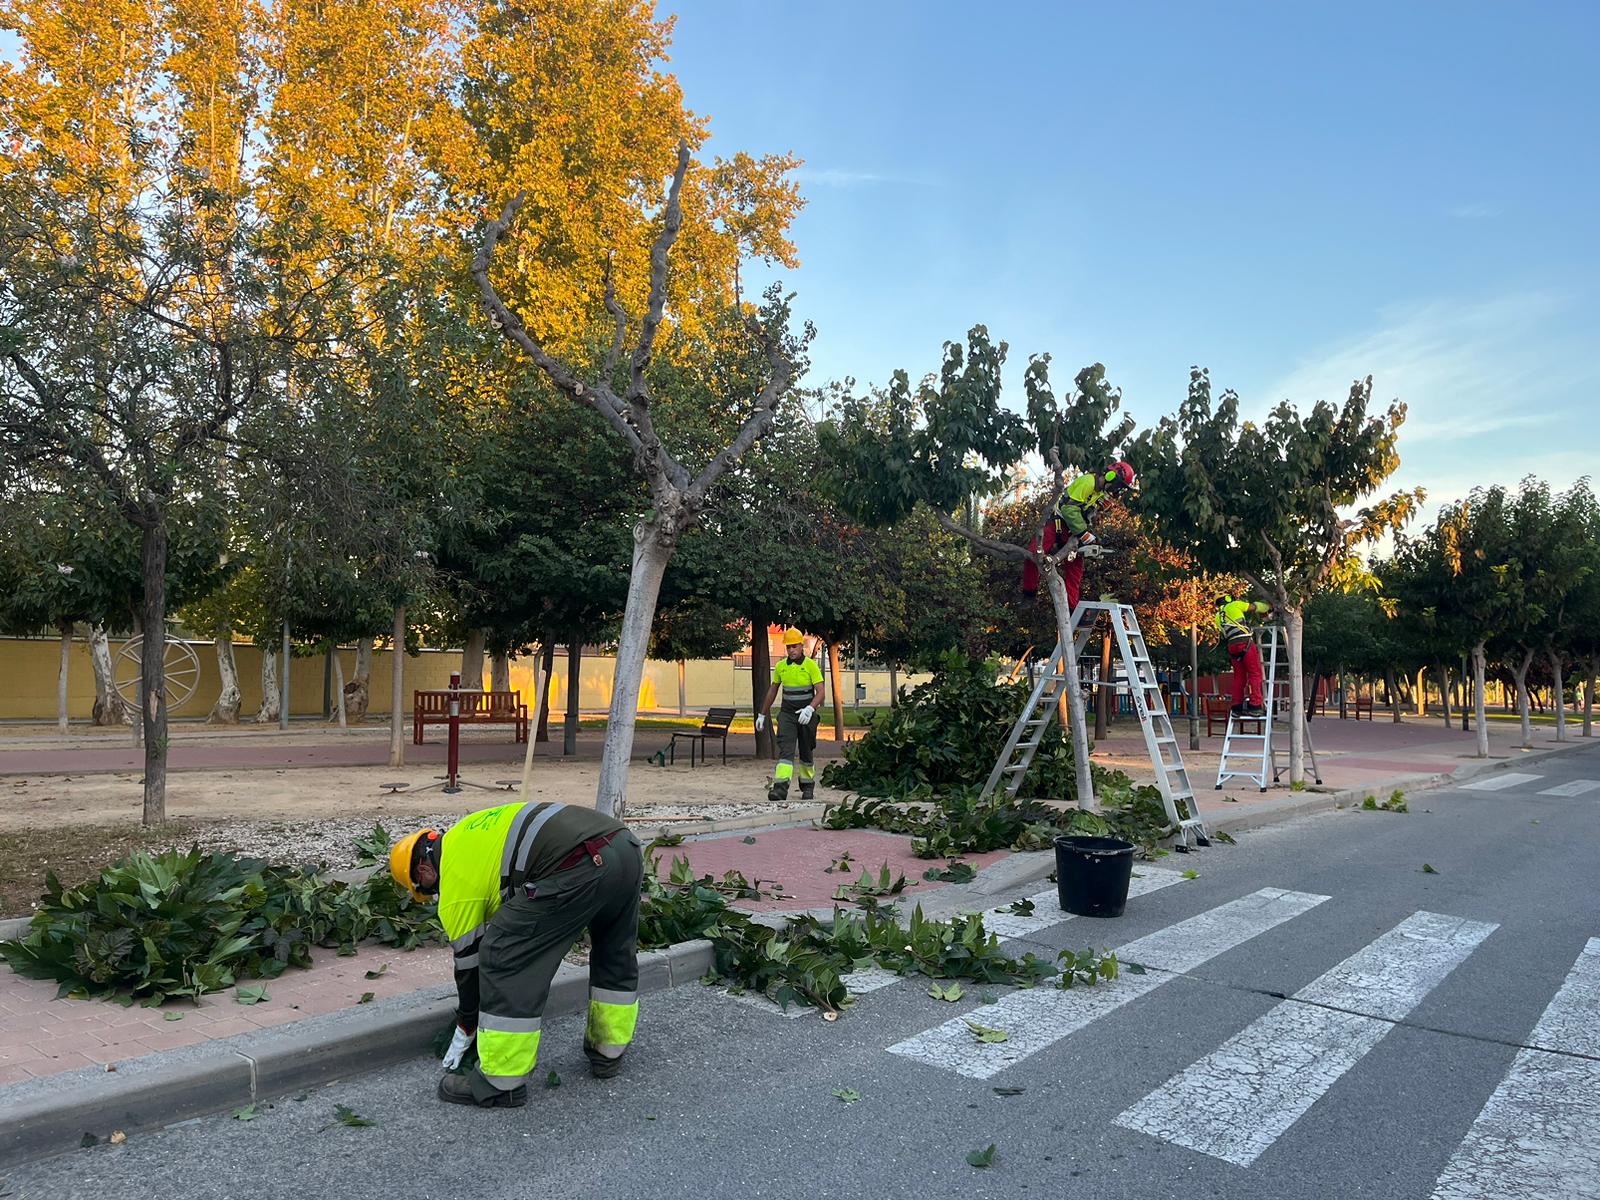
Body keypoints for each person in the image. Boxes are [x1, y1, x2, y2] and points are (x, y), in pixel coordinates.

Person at [389, 801, 644, 1108]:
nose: (432, 896)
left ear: (424, 870)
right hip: (624, 846)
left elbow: (470, 963)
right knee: (613, 949)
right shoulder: (467, 834)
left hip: (579, 862)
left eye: (425, 890)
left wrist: (467, 1021)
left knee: (503, 951)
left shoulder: (454, 882)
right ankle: (608, 1053)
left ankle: (500, 1082)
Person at [1053, 460, 1137, 608]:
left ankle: (1072, 609)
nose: (1117, 489)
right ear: (1111, 476)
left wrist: (1089, 531)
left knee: (1075, 571)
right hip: (1058, 523)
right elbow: (1069, 510)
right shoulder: (1088, 483)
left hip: (1073, 530)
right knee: (1037, 553)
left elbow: (1087, 515)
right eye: (1118, 485)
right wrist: (1085, 535)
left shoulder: (1099, 493)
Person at [756, 627, 825, 802]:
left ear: (801, 646)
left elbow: (821, 692)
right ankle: (780, 788)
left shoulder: (811, 666)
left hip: (807, 715)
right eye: (788, 647)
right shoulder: (780, 667)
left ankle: (807, 786)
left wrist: (810, 709)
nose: (791, 650)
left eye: (794, 646)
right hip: (787, 714)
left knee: (806, 751)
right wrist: (762, 714)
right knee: (785, 751)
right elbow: (772, 690)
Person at [1215, 594, 1273, 718]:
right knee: (1255, 673)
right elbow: (1253, 607)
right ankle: (1255, 705)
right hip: (1244, 643)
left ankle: (1236, 707)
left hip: (1232, 647)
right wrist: (1267, 606)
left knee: (1239, 677)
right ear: (1227, 599)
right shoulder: (1234, 605)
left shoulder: (1217, 617)